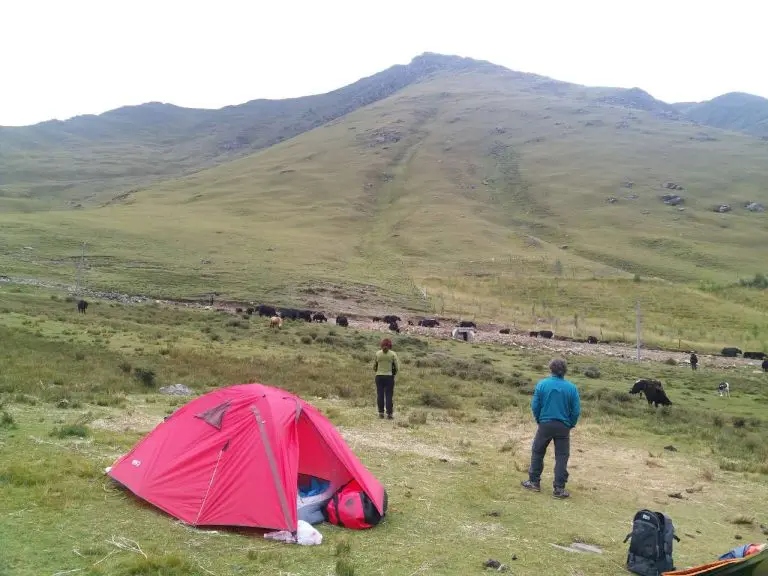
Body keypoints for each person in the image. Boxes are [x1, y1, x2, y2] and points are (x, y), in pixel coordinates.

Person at [521, 358, 580, 499]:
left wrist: (539, 420)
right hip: (563, 426)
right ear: (564, 371)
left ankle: (534, 482)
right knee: (562, 456)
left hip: (545, 424)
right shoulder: (571, 388)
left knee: (537, 451)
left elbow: (535, 406)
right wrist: (570, 424)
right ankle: (559, 489)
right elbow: (576, 411)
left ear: (551, 369)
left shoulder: (542, 384)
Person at [373, 338, 400, 419]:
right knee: (389, 395)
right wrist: (394, 373)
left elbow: (374, 366)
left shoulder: (378, 353)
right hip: (389, 377)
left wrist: (378, 371)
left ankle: (381, 413)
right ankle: (389, 414)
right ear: (390, 345)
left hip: (379, 377)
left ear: (381, 345)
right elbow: (397, 367)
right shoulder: (393, 354)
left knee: (380, 394)